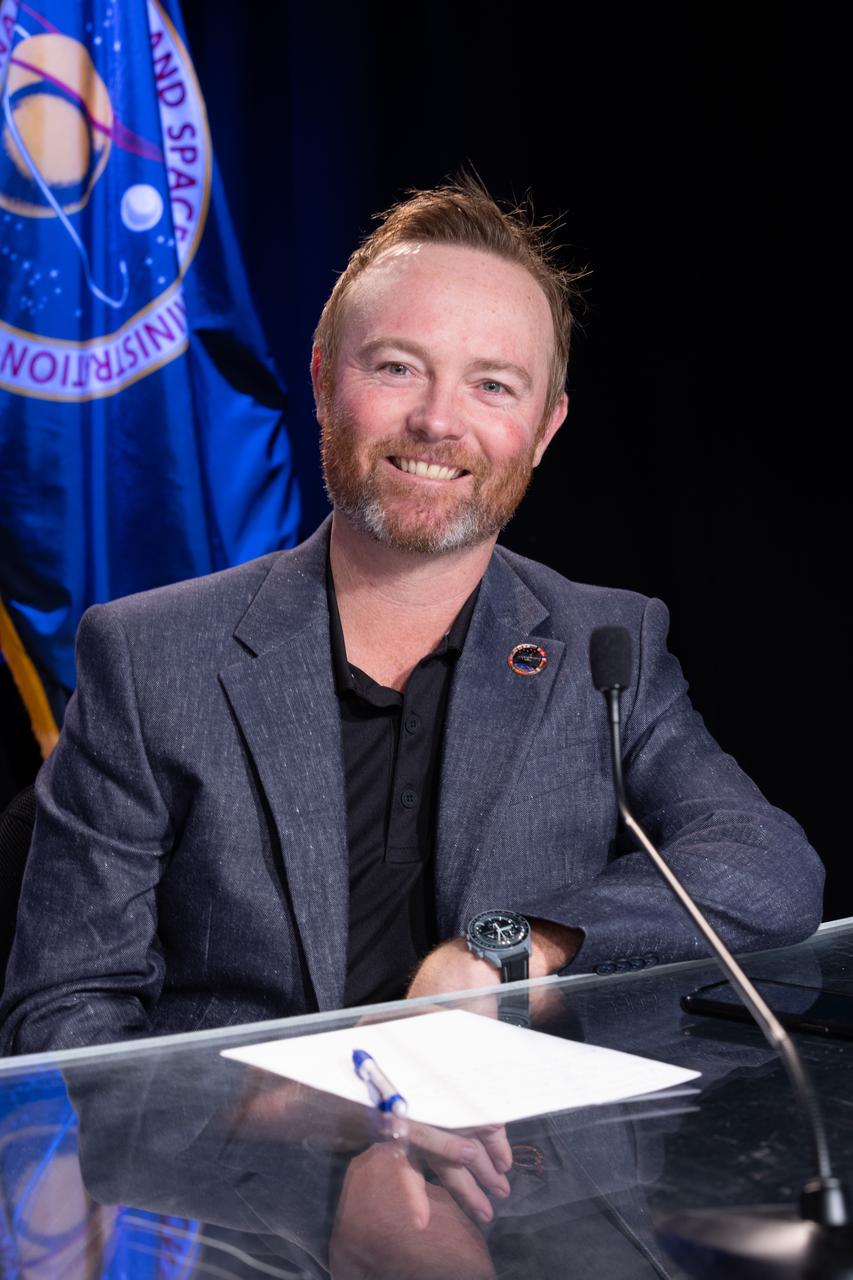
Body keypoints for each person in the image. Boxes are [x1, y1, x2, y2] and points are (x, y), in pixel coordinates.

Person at [0, 179, 824, 1058]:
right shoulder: (147, 656)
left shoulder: (605, 646)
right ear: (323, 380)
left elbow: (766, 867)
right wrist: (303, 1119)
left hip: (531, 1169)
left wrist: (510, 953)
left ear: (544, 430)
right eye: (396, 367)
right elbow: (62, 1019)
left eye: (494, 386)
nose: (436, 420)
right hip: (245, 1184)